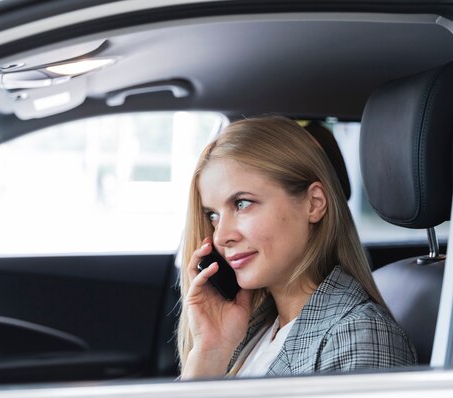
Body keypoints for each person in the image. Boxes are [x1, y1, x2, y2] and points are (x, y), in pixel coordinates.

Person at [178, 116, 416, 379]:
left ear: (313, 203)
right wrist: (210, 352)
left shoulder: (360, 336)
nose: (221, 236)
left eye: (242, 204)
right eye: (213, 215)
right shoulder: (254, 325)